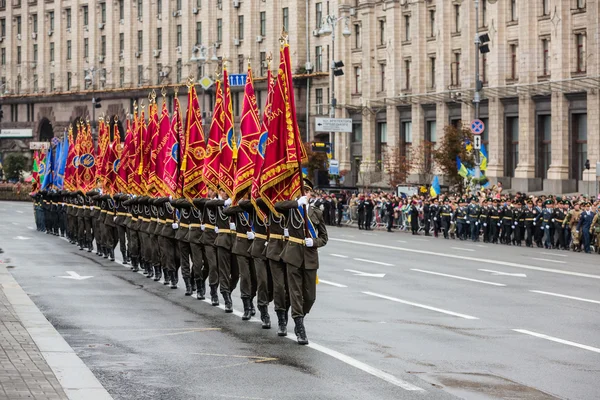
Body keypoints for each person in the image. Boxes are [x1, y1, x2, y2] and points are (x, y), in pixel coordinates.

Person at [275, 179, 328, 345]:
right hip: (293, 255)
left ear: (310, 194)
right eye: (301, 191)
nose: (304, 194)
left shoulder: (316, 212)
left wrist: (315, 242)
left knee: (310, 297)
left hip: (310, 257)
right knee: (295, 292)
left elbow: (324, 238)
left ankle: (300, 316)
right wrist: (296, 203)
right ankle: (299, 325)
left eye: (306, 191)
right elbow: (277, 206)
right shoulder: (291, 209)